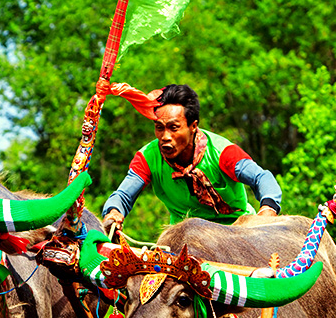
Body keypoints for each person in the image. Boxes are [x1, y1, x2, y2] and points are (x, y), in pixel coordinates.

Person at [101, 84, 282, 233]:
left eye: (173, 127)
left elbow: (262, 178)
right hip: (183, 237)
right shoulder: (147, 157)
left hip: (235, 232)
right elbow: (123, 195)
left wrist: (267, 210)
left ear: (193, 126)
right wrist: (113, 213)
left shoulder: (223, 152)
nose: (165, 136)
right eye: (159, 127)